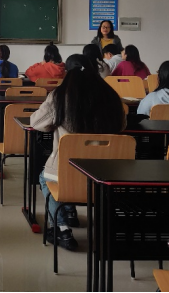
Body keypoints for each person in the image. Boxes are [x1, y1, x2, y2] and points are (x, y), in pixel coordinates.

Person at [30, 54, 126, 251]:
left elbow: (37, 123)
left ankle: (62, 228)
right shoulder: (109, 94)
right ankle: (72, 213)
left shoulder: (59, 96)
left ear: (67, 72)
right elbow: (122, 125)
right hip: (107, 172)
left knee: (45, 178)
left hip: (69, 171)